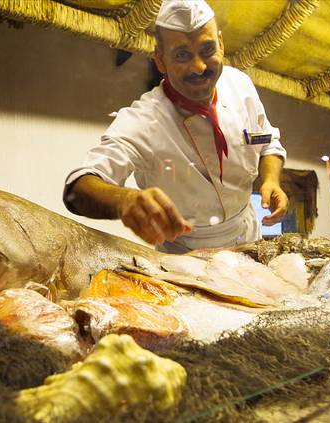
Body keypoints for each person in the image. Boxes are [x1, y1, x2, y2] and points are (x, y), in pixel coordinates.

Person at [63, 0, 288, 253]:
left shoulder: (240, 85)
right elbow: (78, 187)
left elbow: (267, 141)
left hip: (250, 237)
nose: (199, 67)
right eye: (182, 55)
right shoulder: (143, 120)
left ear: (221, 44)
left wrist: (271, 180)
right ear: (160, 60)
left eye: (207, 50)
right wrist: (126, 201)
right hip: (185, 255)